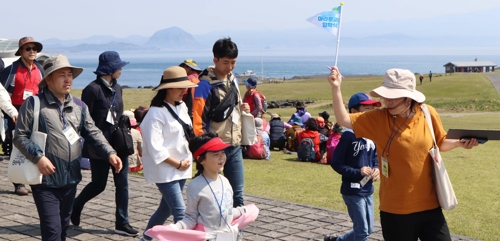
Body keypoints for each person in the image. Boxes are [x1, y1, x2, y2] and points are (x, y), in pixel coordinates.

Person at [327, 67, 479, 241]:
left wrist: (460, 143)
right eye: (385, 96)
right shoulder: (379, 118)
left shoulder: (427, 113)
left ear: (409, 98)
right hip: (395, 210)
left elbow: (440, 142)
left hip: (430, 206)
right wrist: (336, 87)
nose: (386, 101)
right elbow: (343, 119)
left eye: (392, 97)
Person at [13, 54, 122, 241]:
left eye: (70, 74)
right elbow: (19, 136)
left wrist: (110, 153)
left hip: (71, 180)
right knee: (52, 233)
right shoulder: (33, 104)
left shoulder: (79, 106)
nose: (67, 79)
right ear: (48, 79)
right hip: (45, 182)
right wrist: (39, 157)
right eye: (61, 74)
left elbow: (93, 133)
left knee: (63, 230)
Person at [72, 51, 138, 236]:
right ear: (109, 69)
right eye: (119, 66)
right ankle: (76, 205)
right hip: (99, 147)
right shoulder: (91, 90)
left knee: (122, 184)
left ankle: (122, 223)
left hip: (119, 145)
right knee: (98, 184)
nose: (121, 69)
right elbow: (83, 120)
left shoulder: (118, 88)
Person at [138, 66, 197, 241]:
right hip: (165, 170)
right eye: (180, 87)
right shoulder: (155, 114)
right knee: (181, 212)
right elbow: (155, 147)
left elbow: (186, 135)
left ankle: (145, 239)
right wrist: (178, 163)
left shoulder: (182, 108)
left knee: (165, 209)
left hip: (181, 167)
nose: (184, 91)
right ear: (167, 88)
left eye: (185, 86)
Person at [192, 37, 250, 208]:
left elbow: (235, 108)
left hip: (235, 145)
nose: (230, 67)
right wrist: (204, 149)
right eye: (226, 62)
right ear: (215, 60)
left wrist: (243, 107)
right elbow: (198, 120)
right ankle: (211, 232)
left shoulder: (233, 80)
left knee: (237, 194)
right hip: (214, 148)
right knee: (210, 194)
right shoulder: (204, 85)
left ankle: (234, 234)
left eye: (233, 62)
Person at [324, 92, 381, 241]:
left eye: (372, 108)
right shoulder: (348, 136)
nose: (370, 111)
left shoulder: (371, 135)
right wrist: (358, 171)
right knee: (362, 232)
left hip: (368, 189)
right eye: (366, 108)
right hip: (352, 190)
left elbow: (375, 157)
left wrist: (377, 169)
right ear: (354, 112)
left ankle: (338, 240)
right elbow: (336, 163)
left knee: (369, 228)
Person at [1, 36, 45, 196]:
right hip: (16, 111)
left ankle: (35, 178)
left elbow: (44, 91)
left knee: (37, 143)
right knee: (17, 146)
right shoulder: (11, 69)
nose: (32, 51)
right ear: (20, 51)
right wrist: (11, 112)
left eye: (34, 48)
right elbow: (3, 93)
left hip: (36, 110)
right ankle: (18, 183)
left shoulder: (40, 69)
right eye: (28, 48)